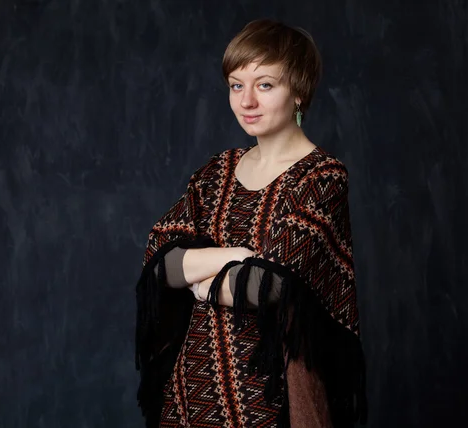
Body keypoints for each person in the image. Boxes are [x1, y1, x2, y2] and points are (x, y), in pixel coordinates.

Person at [135, 19, 367, 428]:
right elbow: (160, 262)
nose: (246, 101)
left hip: (269, 397)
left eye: (264, 85)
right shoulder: (217, 171)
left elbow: (272, 286)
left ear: (298, 90)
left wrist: (201, 282)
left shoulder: (321, 177)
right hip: (189, 394)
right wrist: (237, 257)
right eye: (236, 85)